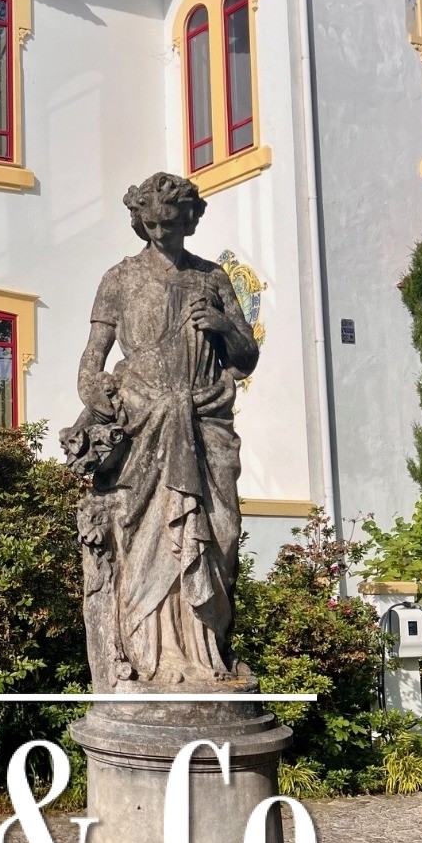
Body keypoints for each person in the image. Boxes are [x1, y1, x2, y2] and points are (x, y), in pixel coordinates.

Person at [62, 171, 259, 687]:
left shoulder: (213, 278)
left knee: (219, 533)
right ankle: (154, 656)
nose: (160, 233)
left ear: (189, 221)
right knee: (145, 542)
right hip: (143, 424)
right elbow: (92, 362)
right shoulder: (120, 278)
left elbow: (246, 358)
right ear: (139, 222)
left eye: (170, 223)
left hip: (206, 420)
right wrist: (96, 400)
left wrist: (223, 327)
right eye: (150, 224)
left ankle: (206, 653)